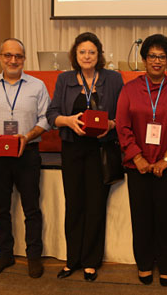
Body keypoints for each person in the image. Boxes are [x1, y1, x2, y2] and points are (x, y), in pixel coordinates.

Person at [115, 34, 167, 287]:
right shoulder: (129, 89)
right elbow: (123, 127)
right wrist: (137, 157)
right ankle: (145, 263)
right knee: (143, 218)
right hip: (138, 167)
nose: (157, 61)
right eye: (152, 56)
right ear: (144, 59)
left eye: (162, 57)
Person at [0, 38, 51, 278]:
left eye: (18, 56)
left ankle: (33, 256)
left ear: (24, 59)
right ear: (0, 58)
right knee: (0, 208)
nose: (13, 60)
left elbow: (46, 118)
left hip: (28, 153)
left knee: (31, 208)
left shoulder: (37, 86)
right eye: (8, 55)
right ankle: (4, 255)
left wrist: (28, 136)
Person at [46, 32, 123, 281]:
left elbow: (124, 114)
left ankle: (91, 261)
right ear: (75, 55)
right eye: (82, 52)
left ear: (98, 55)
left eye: (91, 52)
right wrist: (68, 121)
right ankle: (72, 260)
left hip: (100, 150)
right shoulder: (65, 79)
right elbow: (52, 114)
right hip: (73, 149)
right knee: (74, 205)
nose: (87, 56)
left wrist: (111, 124)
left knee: (96, 206)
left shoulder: (113, 79)